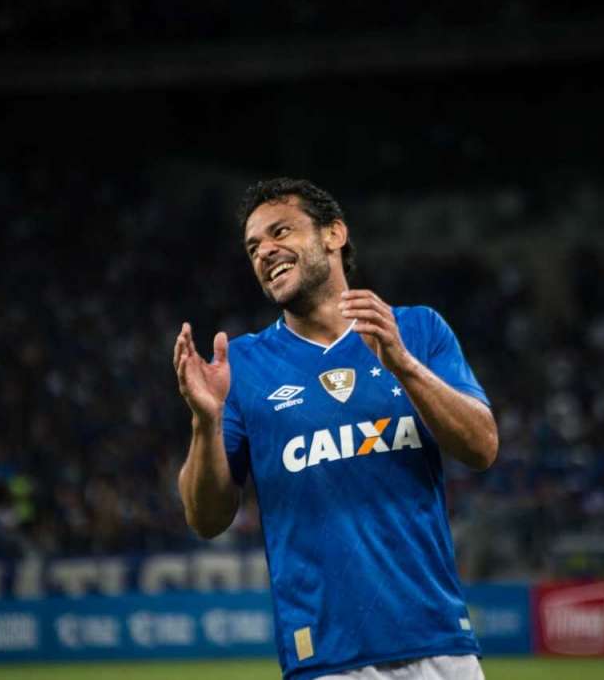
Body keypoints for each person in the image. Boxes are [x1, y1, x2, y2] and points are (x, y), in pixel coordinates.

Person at [173, 177, 498, 679]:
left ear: (334, 234)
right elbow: (205, 518)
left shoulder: (416, 329)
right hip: (325, 658)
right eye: (253, 246)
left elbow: (482, 447)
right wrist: (205, 421)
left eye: (280, 231)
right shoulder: (240, 365)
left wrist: (405, 366)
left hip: (439, 642)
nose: (265, 252)